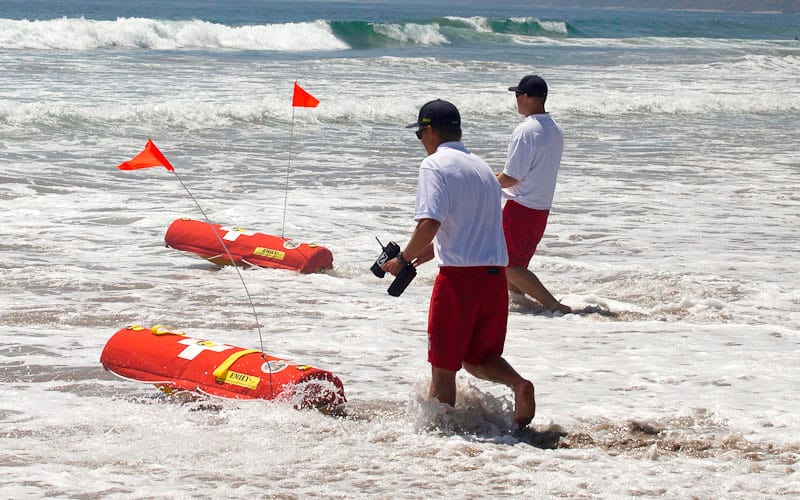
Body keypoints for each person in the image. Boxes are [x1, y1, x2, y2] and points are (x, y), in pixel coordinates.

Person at [382, 99, 536, 429]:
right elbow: (462, 231)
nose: (421, 141)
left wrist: (404, 259)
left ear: (431, 131)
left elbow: (429, 225)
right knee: (478, 358)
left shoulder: (435, 166)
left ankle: (441, 440)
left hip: (459, 281)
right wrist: (417, 258)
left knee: (443, 364)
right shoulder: (481, 168)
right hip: (494, 277)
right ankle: (519, 385)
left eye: (420, 133)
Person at [497, 75, 570, 314]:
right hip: (540, 207)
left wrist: (484, 181)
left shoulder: (526, 131)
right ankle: (519, 305)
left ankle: (553, 305)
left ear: (527, 97)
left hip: (521, 206)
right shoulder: (554, 129)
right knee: (516, 264)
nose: (516, 100)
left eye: (517, 95)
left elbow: (512, 177)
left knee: (507, 263)